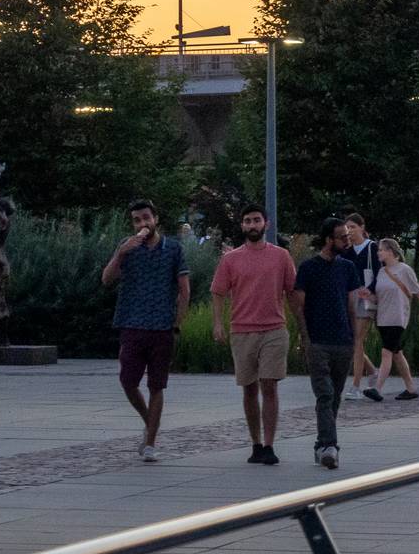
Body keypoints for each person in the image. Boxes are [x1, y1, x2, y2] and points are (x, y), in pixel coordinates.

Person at [101, 199, 190, 463]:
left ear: (156, 219)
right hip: (132, 324)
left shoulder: (173, 249)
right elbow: (106, 280)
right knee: (128, 382)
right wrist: (120, 254)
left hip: (162, 327)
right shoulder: (127, 248)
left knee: (157, 385)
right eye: (137, 220)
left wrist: (177, 322)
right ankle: (149, 422)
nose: (142, 224)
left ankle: (150, 442)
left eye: (146, 218)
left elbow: (184, 289)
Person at [209, 205, 297, 466]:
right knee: (249, 388)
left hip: (274, 328)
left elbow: (292, 292)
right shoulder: (231, 259)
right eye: (247, 221)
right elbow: (218, 291)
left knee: (269, 384)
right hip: (242, 329)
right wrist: (217, 323)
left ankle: (269, 444)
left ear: (266, 224)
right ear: (242, 225)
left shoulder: (281, 256)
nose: (252, 225)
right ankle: (256, 443)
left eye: (256, 220)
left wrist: (302, 325)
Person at [290, 218, 364, 471]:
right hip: (318, 341)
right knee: (325, 394)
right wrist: (305, 338)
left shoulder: (348, 268)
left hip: (342, 341)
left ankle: (320, 444)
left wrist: (355, 339)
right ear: (328, 240)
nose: (347, 240)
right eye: (342, 237)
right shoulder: (308, 268)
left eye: (348, 236)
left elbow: (353, 306)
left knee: (334, 397)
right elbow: (298, 306)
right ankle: (330, 447)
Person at [365, 238, 419, 400]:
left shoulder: (405, 270)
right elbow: (379, 296)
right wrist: (368, 296)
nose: (378, 253)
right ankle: (411, 389)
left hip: (398, 318)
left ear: (390, 251)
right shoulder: (381, 272)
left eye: (381, 250)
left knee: (386, 352)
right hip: (382, 319)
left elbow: (418, 292)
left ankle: (377, 388)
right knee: (396, 353)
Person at [342, 213, 383, 402]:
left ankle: (356, 385)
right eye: (347, 228)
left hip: (365, 299)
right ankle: (373, 371)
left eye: (353, 227)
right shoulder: (347, 251)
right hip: (350, 298)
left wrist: (370, 289)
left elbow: (379, 272)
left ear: (361, 227)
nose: (350, 231)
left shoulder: (372, 247)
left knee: (357, 339)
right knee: (352, 340)